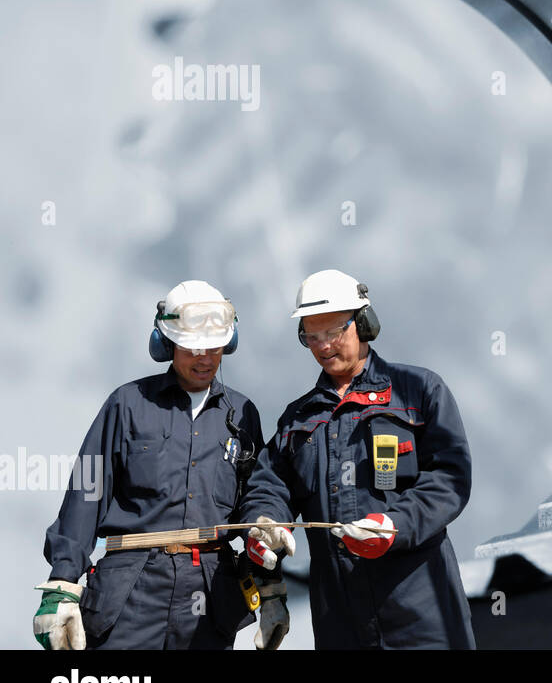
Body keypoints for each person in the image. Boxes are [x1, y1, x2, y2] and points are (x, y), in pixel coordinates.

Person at [238, 269, 476, 648]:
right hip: (341, 622)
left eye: (333, 332)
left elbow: (450, 478)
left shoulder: (419, 391)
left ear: (363, 323)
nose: (323, 346)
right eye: (311, 336)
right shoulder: (297, 419)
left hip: (422, 614)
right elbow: (269, 486)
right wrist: (265, 524)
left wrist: (396, 524)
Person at [36, 280, 267, 650]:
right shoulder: (127, 404)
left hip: (210, 593)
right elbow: (86, 494)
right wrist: (62, 586)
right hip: (129, 592)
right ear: (167, 344)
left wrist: (270, 582)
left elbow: (259, 496)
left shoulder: (242, 415)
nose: (205, 358)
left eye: (215, 346)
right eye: (193, 347)